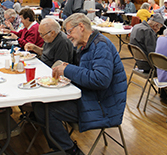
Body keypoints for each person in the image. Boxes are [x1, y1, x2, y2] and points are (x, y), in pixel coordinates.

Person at [33, 13, 127, 154]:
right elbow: (87, 73)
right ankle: (62, 147)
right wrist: (69, 69)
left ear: (81, 27)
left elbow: (100, 80)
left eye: (70, 31)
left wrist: (69, 69)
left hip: (104, 107)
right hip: (92, 98)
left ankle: (69, 150)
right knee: (40, 103)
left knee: (44, 108)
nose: (68, 35)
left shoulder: (101, 46)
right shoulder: (87, 45)